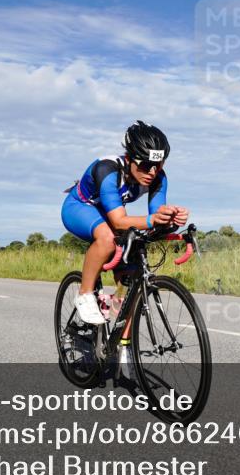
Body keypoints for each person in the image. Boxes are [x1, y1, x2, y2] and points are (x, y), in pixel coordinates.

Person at [61, 121, 189, 324]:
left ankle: (122, 347)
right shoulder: (108, 169)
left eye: (159, 165)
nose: (152, 172)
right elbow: (119, 221)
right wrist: (152, 220)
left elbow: (154, 217)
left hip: (111, 213)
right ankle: (84, 294)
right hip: (80, 208)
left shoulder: (157, 178)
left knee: (129, 289)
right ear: (129, 159)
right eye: (146, 165)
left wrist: (170, 219)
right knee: (107, 237)